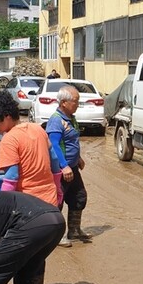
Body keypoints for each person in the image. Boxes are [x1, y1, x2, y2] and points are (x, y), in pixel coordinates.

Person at [0, 90, 62, 284]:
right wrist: (59, 194)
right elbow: (55, 165)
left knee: (20, 258)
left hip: (26, 210)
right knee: (39, 256)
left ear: (4, 116)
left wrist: (0, 208)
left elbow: (12, 178)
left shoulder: (10, 139)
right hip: (50, 204)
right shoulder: (38, 129)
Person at [46, 84, 93, 245]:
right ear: (64, 102)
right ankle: (55, 236)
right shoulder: (56, 121)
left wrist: (78, 158)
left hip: (72, 168)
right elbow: (54, 145)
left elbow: (72, 141)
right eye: (75, 101)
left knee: (79, 197)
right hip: (61, 170)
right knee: (57, 202)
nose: (78, 104)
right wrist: (64, 166)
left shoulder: (71, 119)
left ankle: (74, 230)